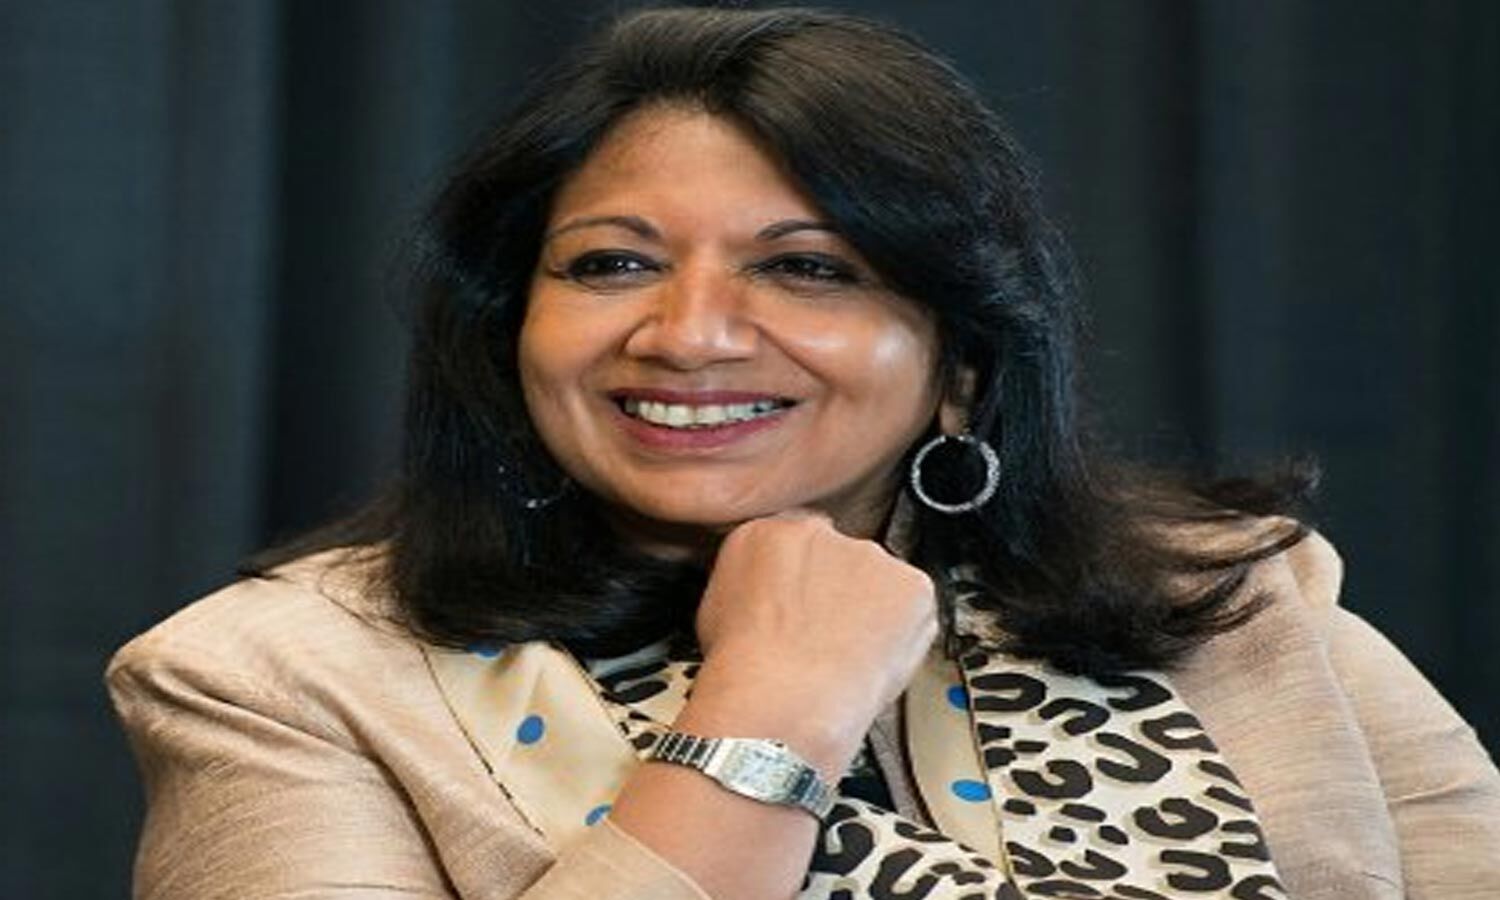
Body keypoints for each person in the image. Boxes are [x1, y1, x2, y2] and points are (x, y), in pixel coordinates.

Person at [108, 6, 1500, 899]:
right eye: (611, 263)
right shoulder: (276, 683)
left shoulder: (1242, 602)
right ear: (509, 328)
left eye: (809, 268)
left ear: (963, 355)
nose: (689, 335)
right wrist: (772, 710)